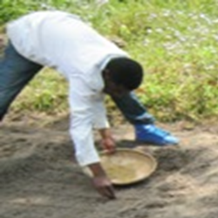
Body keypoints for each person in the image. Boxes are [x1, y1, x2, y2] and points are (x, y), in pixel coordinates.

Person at [0, 11, 179, 199]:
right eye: (116, 90)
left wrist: (105, 133)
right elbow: (80, 127)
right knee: (2, 96)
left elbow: (97, 92)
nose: (119, 95)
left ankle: (144, 127)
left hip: (60, 32)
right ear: (107, 74)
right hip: (30, 35)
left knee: (119, 89)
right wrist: (99, 174)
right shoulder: (83, 73)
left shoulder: (118, 61)